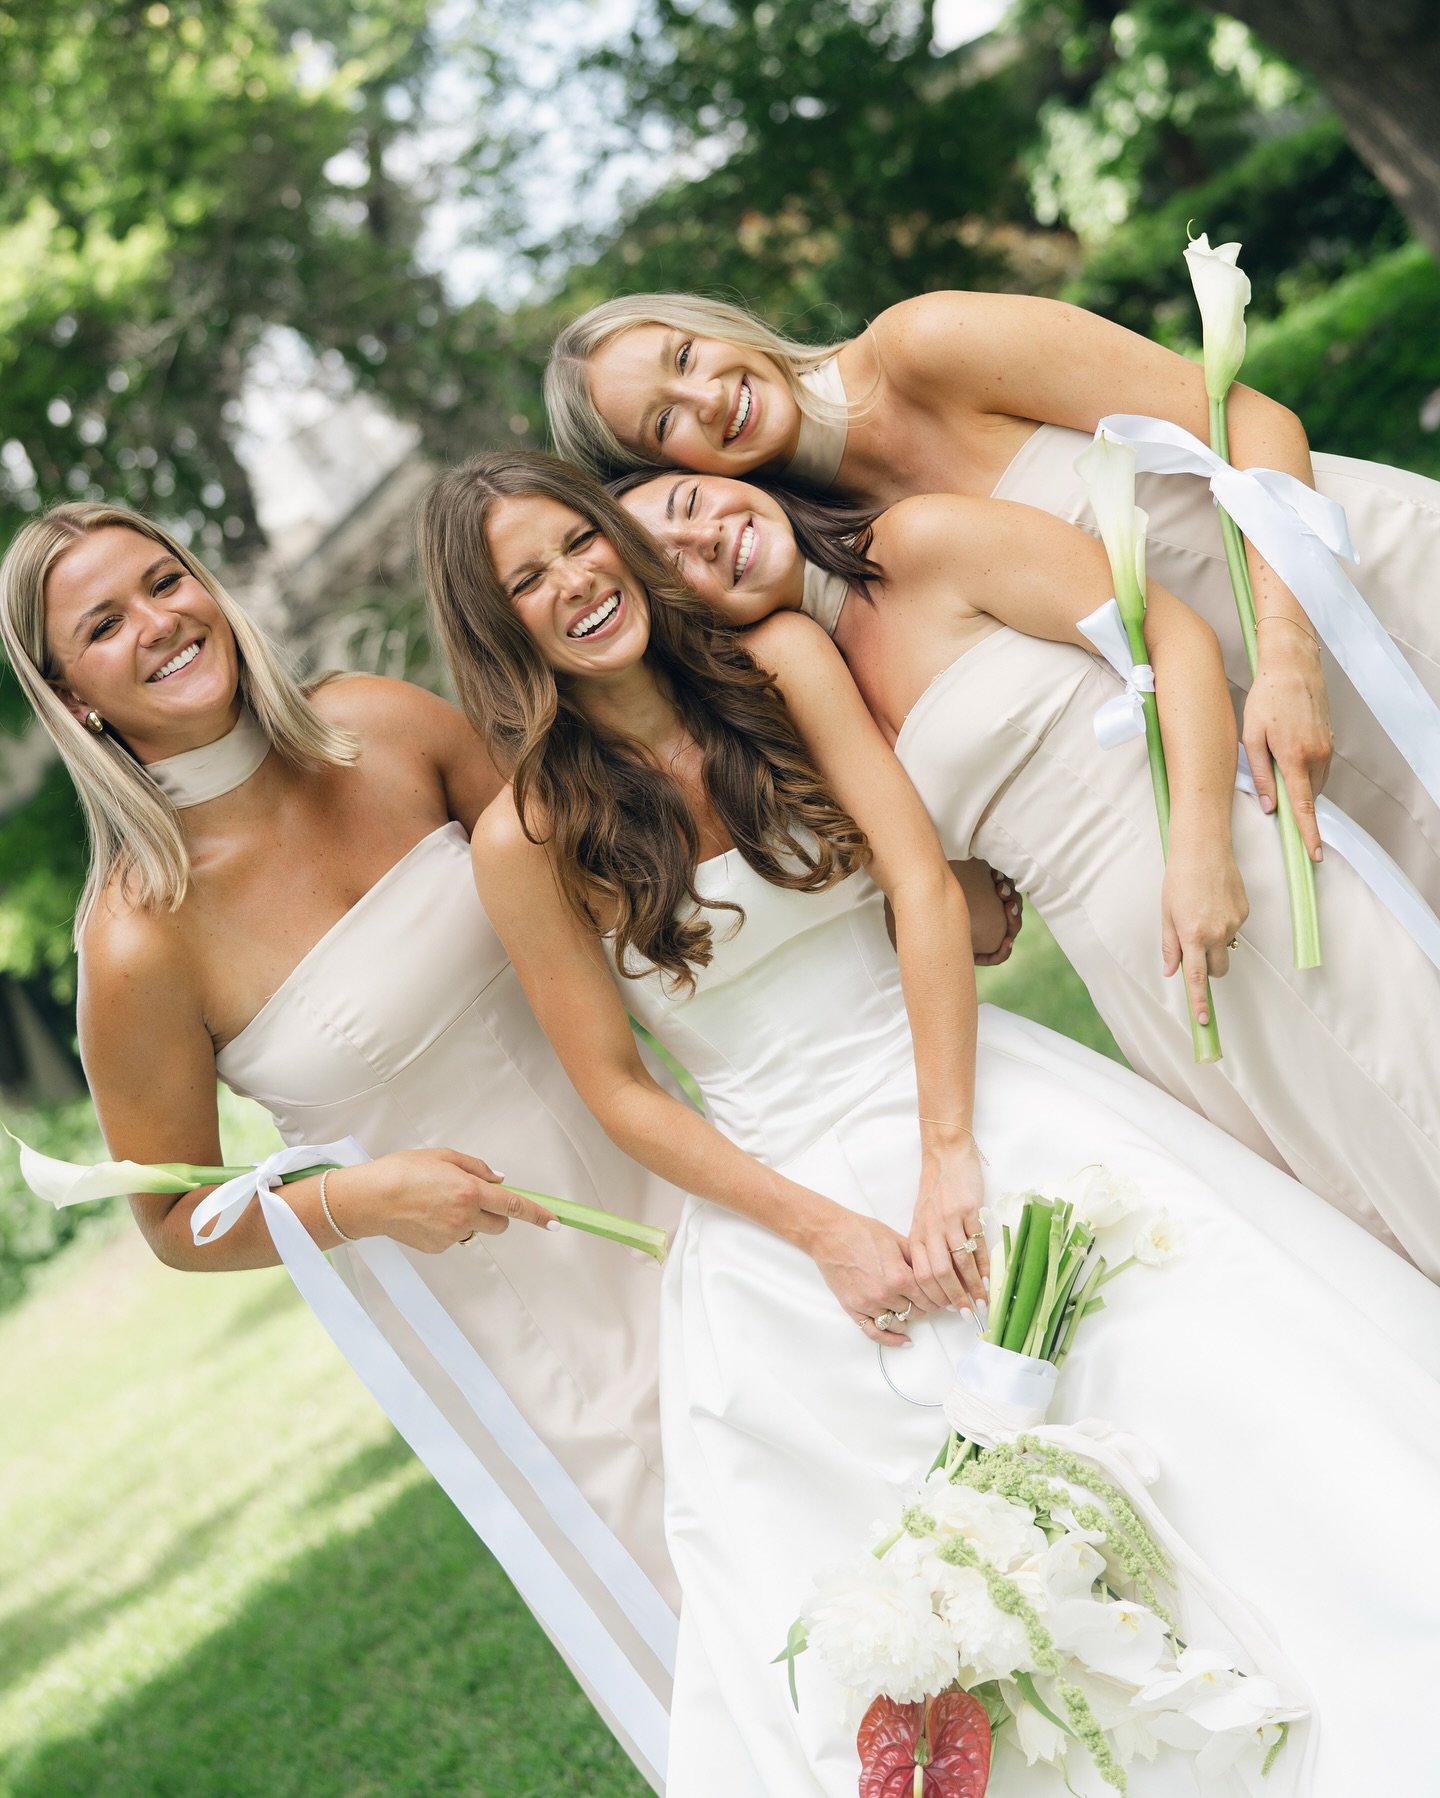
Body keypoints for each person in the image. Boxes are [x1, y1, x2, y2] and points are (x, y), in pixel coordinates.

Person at [418, 448, 1440, 1798]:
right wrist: (828, 1232)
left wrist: (949, 1147)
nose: (575, 584)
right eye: (527, 582)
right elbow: (617, 1088)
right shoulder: (530, 835)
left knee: (1211, 1366)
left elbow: (916, 882)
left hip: (963, 1086)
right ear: (501, 634)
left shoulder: (777, 661)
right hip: (784, 1202)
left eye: (576, 544)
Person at [0, 501, 686, 1789]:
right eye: (105, 623)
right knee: (689, 1580)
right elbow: (172, 1225)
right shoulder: (139, 937)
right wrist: (356, 1200)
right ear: (73, 696)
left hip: (659, 1169)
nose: (158, 622)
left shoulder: (386, 725)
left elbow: (606, 879)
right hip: (492, 1311)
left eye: (163, 581)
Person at [614, 468, 1440, 1271]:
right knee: (1341, 1198)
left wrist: (1200, 849)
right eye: (673, 565)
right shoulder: (806, 688)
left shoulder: (919, 540)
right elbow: (971, 906)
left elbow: (1171, 635)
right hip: (1130, 967)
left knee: (1410, 1097)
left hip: (1231, 863)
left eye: (691, 503)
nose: (707, 539)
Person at [545, 289, 1440, 914]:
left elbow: (1252, 423)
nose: (708, 399)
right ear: (658, 474)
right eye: (665, 421)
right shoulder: (826, 556)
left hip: (1349, 598)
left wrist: (1288, 654)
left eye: (686, 356)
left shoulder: (924, 345)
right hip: (1253, 728)